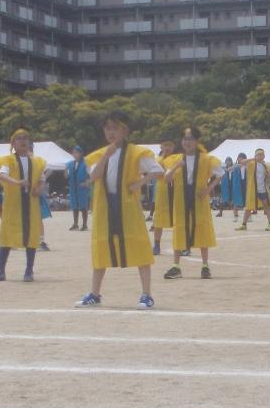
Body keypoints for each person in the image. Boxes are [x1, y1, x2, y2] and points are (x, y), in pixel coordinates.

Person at [76, 110, 163, 309]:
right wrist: (107, 154)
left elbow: (158, 171)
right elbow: (95, 176)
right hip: (104, 206)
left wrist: (140, 182)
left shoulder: (136, 152)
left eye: (115, 128)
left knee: (139, 246)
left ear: (125, 130)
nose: (111, 132)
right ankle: (95, 294)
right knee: (101, 247)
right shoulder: (99, 154)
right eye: (107, 128)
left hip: (128, 206)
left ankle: (146, 294)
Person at [162, 126, 223, 280]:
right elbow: (166, 178)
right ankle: (176, 266)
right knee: (179, 228)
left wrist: (208, 189)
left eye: (190, 139)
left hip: (198, 198)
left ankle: (205, 266)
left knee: (202, 227)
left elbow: (219, 174)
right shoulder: (176, 159)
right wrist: (177, 166)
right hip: (180, 200)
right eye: (185, 139)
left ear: (196, 141)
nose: (187, 142)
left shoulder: (206, 158)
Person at [0, 129, 48, 282]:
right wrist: (18, 183)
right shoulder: (8, 160)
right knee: (7, 235)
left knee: (31, 236)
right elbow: (2, 175)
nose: (23, 141)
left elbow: (42, 179)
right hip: (13, 204)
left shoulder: (37, 162)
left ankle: (29, 270)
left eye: (25, 138)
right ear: (13, 143)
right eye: (19, 139)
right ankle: (1, 270)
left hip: (31, 204)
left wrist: (39, 188)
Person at [151, 139, 178, 254]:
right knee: (159, 219)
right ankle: (156, 245)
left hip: (176, 191)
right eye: (165, 145)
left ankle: (183, 246)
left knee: (179, 219)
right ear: (161, 147)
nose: (167, 148)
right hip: (162, 192)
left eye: (170, 145)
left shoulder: (177, 159)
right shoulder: (157, 160)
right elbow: (156, 175)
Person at [239, 148, 270, 231]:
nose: (260, 156)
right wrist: (254, 158)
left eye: (261, 154)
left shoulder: (266, 165)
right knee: (248, 207)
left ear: (264, 156)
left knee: (267, 207)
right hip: (253, 190)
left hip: (263, 190)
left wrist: (268, 175)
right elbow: (242, 162)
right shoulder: (251, 163)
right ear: (255, 155)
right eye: (258, 154)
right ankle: (244, 224)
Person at [66, 144, 90, 230]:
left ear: (80, 153)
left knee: (83, 207)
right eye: (73, 153)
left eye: (76, 153)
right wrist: (65, 170)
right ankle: (75, 224)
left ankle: (85, 225)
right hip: (73, 188)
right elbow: (66, 176)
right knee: (74, 206)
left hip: (82, 188)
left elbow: (90, 174)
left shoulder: (86, 163)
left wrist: (86, 182)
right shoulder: (70, 164)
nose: (74, 154)